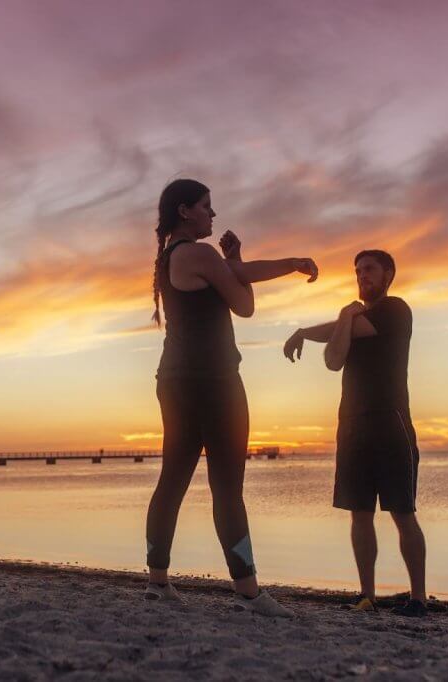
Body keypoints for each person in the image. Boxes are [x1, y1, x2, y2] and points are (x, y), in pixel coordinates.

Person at [146, 178, 318, 617]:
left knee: (173, 480)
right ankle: (247, 591)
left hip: (176, 380)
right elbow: (243, 302)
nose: (212, 214)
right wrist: (282, 262)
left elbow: (237, 278)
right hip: (215, 383)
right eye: (207, 206)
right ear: (185, 211)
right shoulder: (200, 254)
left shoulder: (173, 257)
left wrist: (249, 262)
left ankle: (158, 582)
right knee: (227, 487)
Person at [283, 250, 428, 617]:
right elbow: (337, 342)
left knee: (402, 512)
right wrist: (310, 329)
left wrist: (336, 320)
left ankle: (419, 598)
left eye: (370, 269)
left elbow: (341, 341)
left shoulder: (396, 309)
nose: (362, 275)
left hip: (390, 423)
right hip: (352, 425)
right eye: (358, 270)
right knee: (359, 513)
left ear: (388, 274)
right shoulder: (352, 317)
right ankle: (368, 595)